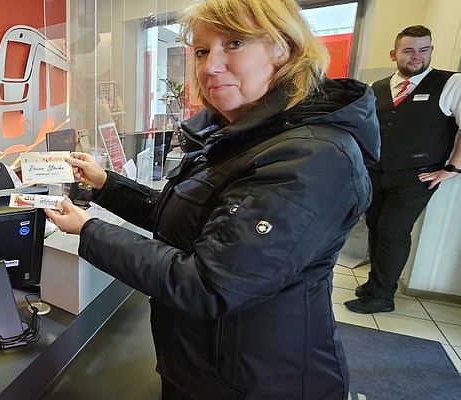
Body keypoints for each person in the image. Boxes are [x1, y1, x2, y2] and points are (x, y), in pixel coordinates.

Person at [44, 0, 379, 398]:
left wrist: (90, 230)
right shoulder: (238, 136)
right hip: (203, 363)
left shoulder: (308, 156)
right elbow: (180, 219)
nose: (210, 66)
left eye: (234, 43)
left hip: (256, 380)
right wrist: (107, 184)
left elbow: (209, 283)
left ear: (283, 48)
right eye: (202, 51)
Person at [344, 25, 461, 314]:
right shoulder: (378, 88)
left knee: (393, 231)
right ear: (394, 54)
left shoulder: (450, 83)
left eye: (424, 49)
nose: (416, 56)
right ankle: (374, 285)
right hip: (377, 173)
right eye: (408, 50)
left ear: (431, 50)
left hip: (417, 176)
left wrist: (453, 169)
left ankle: (383, 296)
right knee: (375, 227)